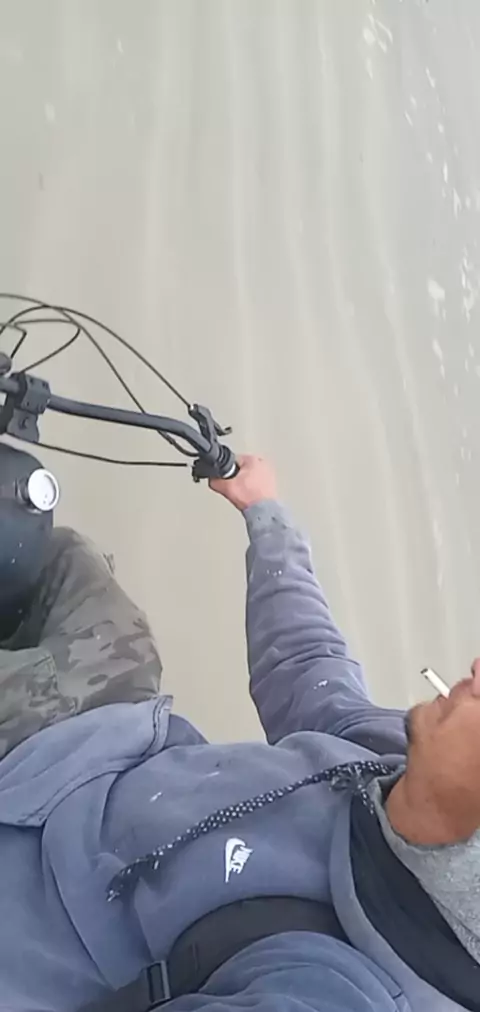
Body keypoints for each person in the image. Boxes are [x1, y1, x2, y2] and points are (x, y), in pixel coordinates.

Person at [0, 455, 477, 1012]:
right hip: (102, 747)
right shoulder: (391, 760)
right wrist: (266, 513)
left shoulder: (335, 988)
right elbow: (307, 663)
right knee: (50, 545)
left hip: (28, 880)